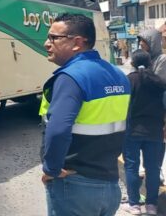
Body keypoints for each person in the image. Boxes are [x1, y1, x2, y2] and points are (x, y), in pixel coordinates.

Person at [39, 13, 130, 216]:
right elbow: (126, 125)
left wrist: (51, 170)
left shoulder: (71, 77)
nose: (47, 43)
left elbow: (58, 130)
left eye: (54, 38)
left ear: (77, 42)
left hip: (75, 186)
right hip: (110, 185)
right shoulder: (118, 75)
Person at [122, 50, 166, 215]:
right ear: (151, 64)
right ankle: (151, 206)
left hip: (132, 130)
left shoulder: (129, 81)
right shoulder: (160, 82)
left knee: (132, 167)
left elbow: (122, 107)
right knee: (153, 168)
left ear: (132, 63)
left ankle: (133, 205)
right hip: (154, 131)